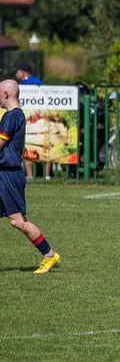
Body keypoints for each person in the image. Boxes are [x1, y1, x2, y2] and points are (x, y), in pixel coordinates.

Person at [0, 79, 60, 273]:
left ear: (6, 94)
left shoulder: (11, 116)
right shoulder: (15, 115)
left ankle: (49, 254)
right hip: (4, 172)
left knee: (18, 221)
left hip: (8, 175)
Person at [13, 60, 47, 180]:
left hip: (28, 119)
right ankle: (47, 175)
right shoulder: (38, 82)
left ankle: (30, 175)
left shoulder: (21, 86)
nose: (16, 74)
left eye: (17, 72)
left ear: (22, 73)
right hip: (40, 118)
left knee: (27, 147)